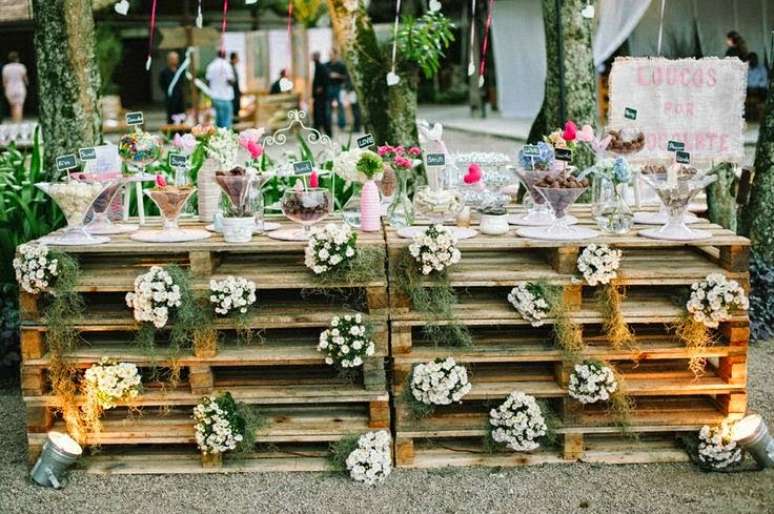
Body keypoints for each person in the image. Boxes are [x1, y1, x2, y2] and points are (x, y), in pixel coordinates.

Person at [205, 49, 236, 128]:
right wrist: (232, 80)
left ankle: (218, 140)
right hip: (225, 97)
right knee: (226, 124)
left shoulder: (211, 65)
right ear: (225, 55)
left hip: (215, 98)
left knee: (217, 124)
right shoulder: (226, 65)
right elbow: (230, 81)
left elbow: (208, 82)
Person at [159, 51, 186, 124]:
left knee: (182, 118)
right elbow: (162, 84)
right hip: (170, 100)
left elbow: (184, 83)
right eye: (172, 58)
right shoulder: (164, 72)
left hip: (180, 98)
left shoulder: (181, 71)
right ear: (168, 60)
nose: (174, 60)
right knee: (171, 118)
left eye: (176, 58)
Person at [2, 51, 28, 123]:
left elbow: (4, 81)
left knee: (13, 106)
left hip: (9, 88)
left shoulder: (5, 68)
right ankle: (18, 122)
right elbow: (25, 79)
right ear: (17, 58)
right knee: (19, 105)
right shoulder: (21, 67)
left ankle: (14, 121)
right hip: (19, 88)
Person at [326, 48, 348, 131]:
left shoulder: (341, 65)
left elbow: (346, 77)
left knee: (340, 107)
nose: (330, 56)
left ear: (335, 55)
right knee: (328, 107)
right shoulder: (326, 65)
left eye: (332, 54)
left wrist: (337, 76)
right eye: (329, 55)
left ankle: (341, 125)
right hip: (329, 87)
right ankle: (328, 125)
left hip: (338, 87)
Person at [311, 52, 331, 136]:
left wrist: (321, 87)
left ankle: (327, 132)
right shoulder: (317, 67)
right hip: (317, 96)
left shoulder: (321, 67)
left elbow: (326, 79)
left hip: (321, 96)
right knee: (317, 115)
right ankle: (317, 133)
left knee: (322, 115)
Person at [230, 52, 241, 123]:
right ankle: (235, 129)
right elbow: (233, 82)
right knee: (234, 110)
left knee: (237, 110)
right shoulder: (230, 67)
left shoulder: (233, 67)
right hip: (233, 93)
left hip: (236, 92)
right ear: (234, 58)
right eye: (237, 58)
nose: (238, 59)